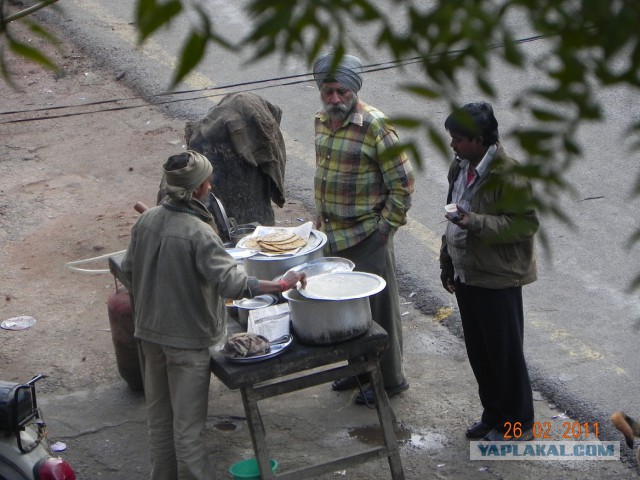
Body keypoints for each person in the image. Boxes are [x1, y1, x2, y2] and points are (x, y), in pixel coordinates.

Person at [120, 151, 306, 480]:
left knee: (160, 424)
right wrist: (280, 284)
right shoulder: (200, 233)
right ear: (199, 189)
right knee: (188, 432)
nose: (211, 184)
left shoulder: (146, 222)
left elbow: (130, 272)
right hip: (186, 342)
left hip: (149, 335)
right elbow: (233, 283)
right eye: (209, 180)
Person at [312, 53, 415, 405]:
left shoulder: (375, 126)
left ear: (354, 90)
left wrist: (386, 228)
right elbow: (325, 171)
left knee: (378, 312)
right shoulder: (322, 121)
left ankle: (389, 381)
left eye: (341, 92)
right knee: (346, 309)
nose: (335, 99)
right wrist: (319, 215)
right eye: (328, 92)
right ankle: (357, 372)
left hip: (368, 236)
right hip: (334, 236)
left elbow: (403, 184)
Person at [439, 102, 539, 441]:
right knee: (480, 353)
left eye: (459, 139)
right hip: (468, 272)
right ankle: (494, 415)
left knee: (505, 354)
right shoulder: (460, 166)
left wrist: (475, 222)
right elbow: (452, 213)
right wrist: (447, 260)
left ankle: (518, 424)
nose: (453, 145)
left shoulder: (507, 173)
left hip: (497, 278)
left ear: (480, 140)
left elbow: (524, 224)